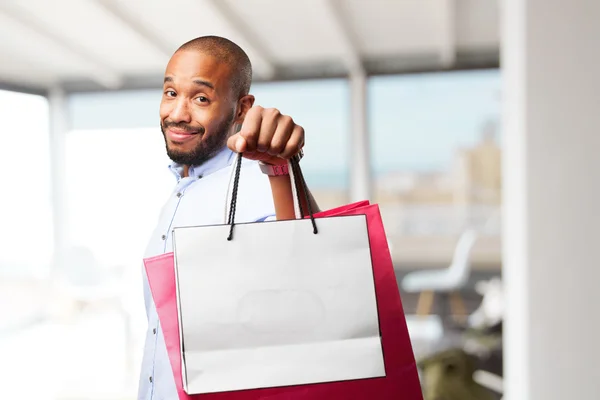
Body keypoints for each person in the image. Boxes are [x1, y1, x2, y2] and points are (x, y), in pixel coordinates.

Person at [137, 35, 319, 399]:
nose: (177, 113)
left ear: (241, 108)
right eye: (171, 92)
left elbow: (314, 272)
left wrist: (282, 168)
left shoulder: (261, 182)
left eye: (201, 98)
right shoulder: (178, 187)